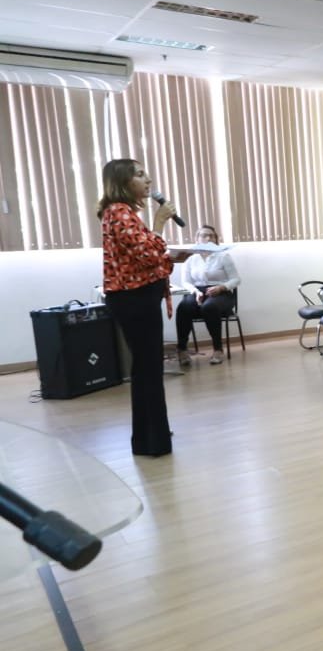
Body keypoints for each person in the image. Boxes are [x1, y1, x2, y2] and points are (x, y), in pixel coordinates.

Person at [97, 158, 178, 457]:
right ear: (123, 182)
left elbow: (142, 256)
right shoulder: (118, 212)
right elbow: (148, 254)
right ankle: (154, 441)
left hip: (136, 298)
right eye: (140, 175)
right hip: (134, 299)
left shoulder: (122, 212)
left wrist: (168, 256)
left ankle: (147, 437)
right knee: (149, 369)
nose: (148, 180)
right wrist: (159, 223)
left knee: (145, 369)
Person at [175, 224, 241, 365]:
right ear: (197, 239)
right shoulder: (190, 258)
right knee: (183, 307)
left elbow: (236, 279)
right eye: (204, 235)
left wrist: (221, 287)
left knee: (209, 307)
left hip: (221, 292)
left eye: (211, 236)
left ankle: (218, 349)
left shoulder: (223, 256)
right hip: (198, 291)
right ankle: (182, 349)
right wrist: (195, 292)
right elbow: (186, 282)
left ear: (216, 239)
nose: (208, 238)